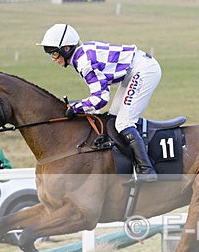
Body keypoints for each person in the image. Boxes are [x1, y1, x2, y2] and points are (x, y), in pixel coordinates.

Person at [37, 23, 161, 182]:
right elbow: (100, 92)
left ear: (66, 49)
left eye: (54, 54)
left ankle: (146, 170)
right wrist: (79, 105)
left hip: (143, 70)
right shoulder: (80, 55)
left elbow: (101, 99)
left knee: (123, 123)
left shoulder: (84, 63)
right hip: (133, 70)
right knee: (113, 119)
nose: (53, 59)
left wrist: (76, 107)